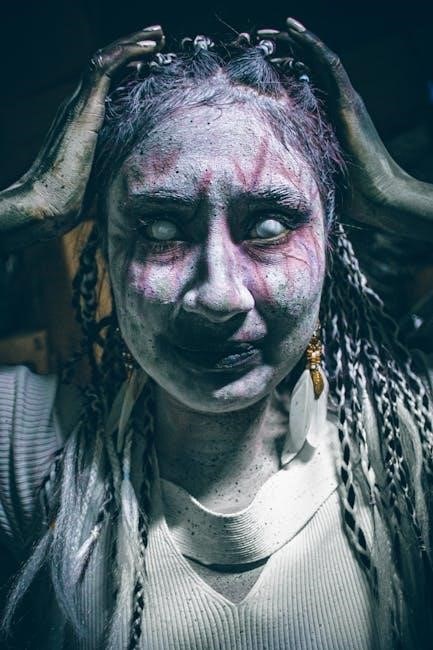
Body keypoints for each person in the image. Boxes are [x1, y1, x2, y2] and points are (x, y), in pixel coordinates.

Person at [0, 17, 432, 650]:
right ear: (107, 250)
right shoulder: (33, 450)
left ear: (329, 243)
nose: (219, 296)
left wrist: (398, 195)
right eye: (161, 230)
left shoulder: (408, 449)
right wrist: (32, 204)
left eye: (268, 226)